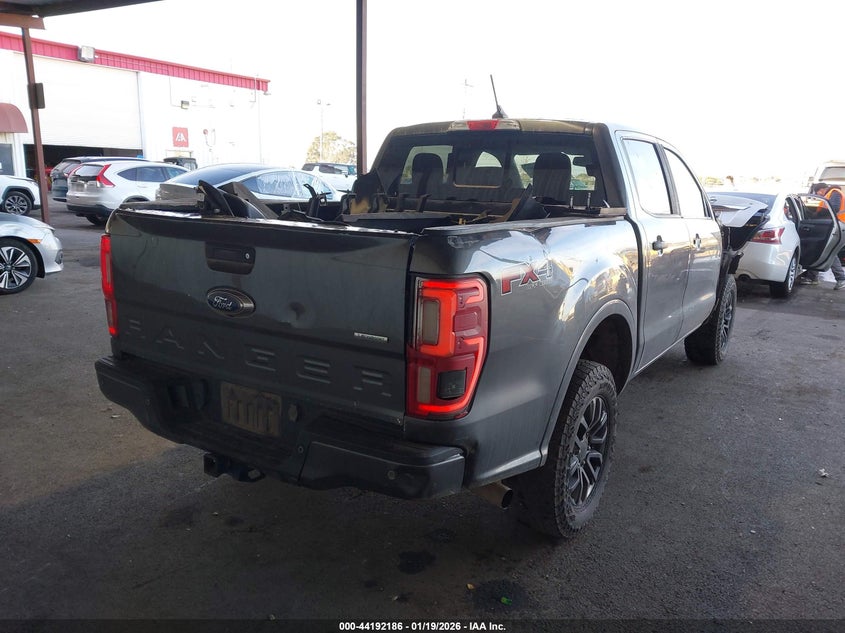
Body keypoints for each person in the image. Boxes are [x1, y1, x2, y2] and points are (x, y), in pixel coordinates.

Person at [798, 182, 845, 289]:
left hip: (838, 225)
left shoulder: (834, 192)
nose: (819, 194)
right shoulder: (833, 194)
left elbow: (834, 208)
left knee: (828, 251)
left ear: (823, 189)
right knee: (823, 250)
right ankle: (812, 277)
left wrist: (820, 217)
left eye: (818, 192)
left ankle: (841, 278)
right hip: (837, 225)